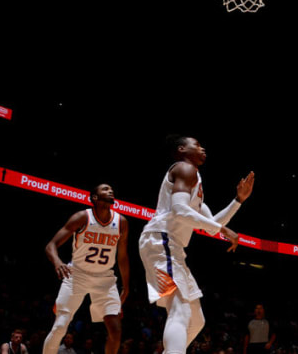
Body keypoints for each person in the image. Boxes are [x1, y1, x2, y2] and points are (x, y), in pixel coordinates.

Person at [138, 135, 254, 354]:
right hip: (161, 239)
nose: (203, 148)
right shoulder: (184, 168)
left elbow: (211, 225)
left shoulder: (195, 181)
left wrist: (238, 201)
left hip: (172, 247)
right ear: (182, 149)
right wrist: (222, 230)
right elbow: (179, 211)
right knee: (180, 311)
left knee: (196, 320)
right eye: (197, 145)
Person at [42, 184, 130, 354]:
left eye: (112, 188)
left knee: (116, 330)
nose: (110, 190)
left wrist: (125, 286)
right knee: (60, 326)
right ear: (94, 198)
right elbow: (50, 245)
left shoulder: (121, 222)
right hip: (77, 275)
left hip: (105, 278)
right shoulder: (82, 217)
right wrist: (57, 262)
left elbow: (123, 257)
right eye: (105, 189)